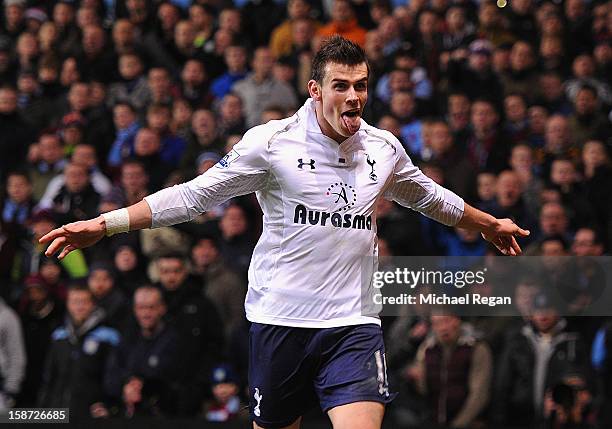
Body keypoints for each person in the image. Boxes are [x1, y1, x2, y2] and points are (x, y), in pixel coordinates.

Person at [41, 36, 529, 429]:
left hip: (353, 322)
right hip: (282, 321)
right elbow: (193, 196)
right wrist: (107, 224)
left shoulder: (383, 147)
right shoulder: (271, 143)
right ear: (315, 90)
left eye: (361, 85)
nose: (354, 96)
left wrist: (487, 224)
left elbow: (427, 196)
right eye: (341, 86)